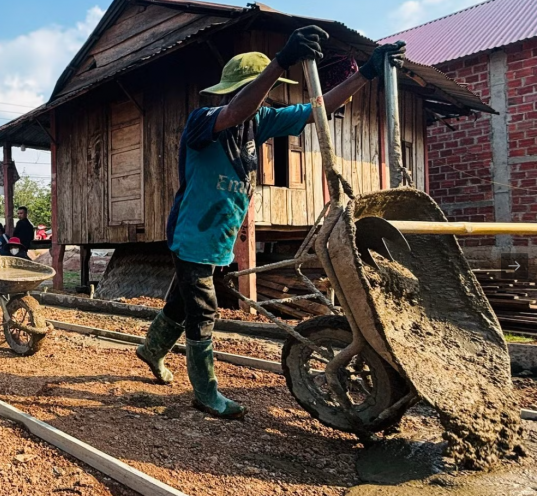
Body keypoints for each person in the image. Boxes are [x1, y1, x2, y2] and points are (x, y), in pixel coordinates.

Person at [134, 27, 406, 420]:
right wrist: (279, 61)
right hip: (191, 235)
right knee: (203, 310)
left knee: (181, 304)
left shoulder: (259, 124)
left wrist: (366, 73)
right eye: (262, 88)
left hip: (219, 236)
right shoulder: (204, 121)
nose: (266, 97)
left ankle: (151, 349)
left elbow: (320, 108)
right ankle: (205, 392)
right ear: (243, 88)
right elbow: (235, 111)